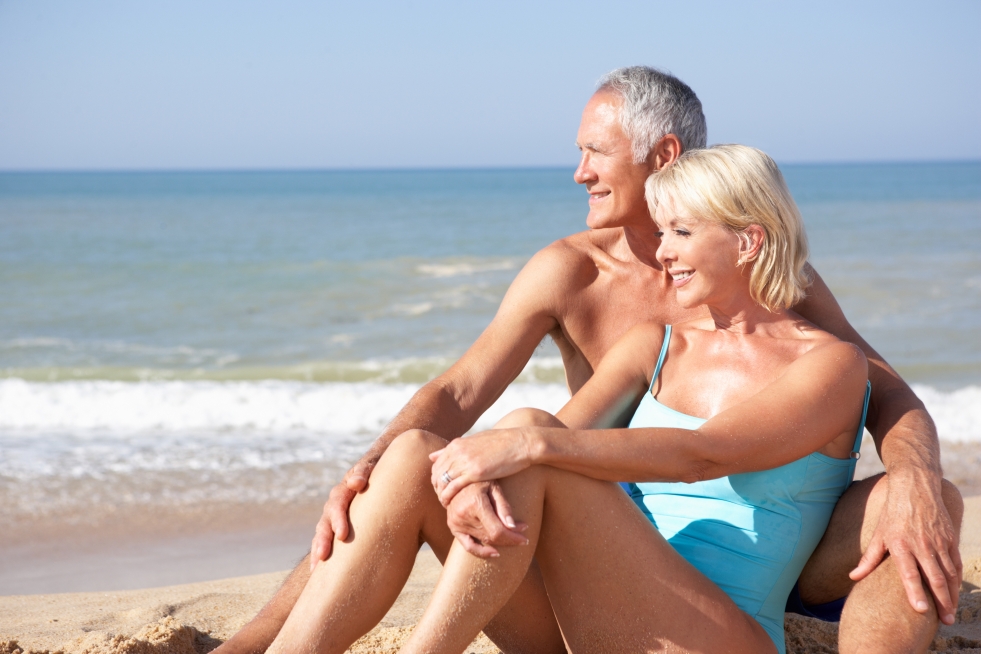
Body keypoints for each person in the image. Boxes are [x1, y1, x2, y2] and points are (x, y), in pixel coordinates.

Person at [216, 67, 962, 654]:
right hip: (599, 574)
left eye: (594, 151)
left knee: (929, 501)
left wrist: (918, 477)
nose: (577, 173)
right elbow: (462, 389)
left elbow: (860, 400)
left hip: (741, 583)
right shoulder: (596, 292)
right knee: (418, 453)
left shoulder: (802, 317)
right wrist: (391, 464)